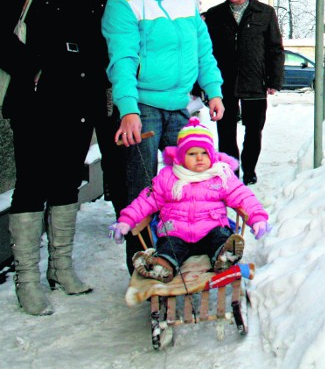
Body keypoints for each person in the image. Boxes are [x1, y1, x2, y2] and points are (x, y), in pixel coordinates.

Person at [0, 0, 109, 315]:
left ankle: (60, 267)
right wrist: (33, 68)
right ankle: (27, 279)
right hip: (37, 96)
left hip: (79, 96)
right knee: (32, 182)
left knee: (66, 181)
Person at [101, 0, 225, 271]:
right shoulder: (124, 2)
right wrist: (128, 110)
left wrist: (213, 90)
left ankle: (186, 254)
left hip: (180, 107)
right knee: (142, 192)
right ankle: (143, 265)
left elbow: (203, 50)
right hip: (142, 107)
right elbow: (122, 61)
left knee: (194, 180)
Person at [109, 117, 270, 282]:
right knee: (168, 247)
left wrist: (257, 218)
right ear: (180, 157)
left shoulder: (220, 176)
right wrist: (126, 221)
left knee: (221, 236)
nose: (199, 158)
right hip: (176, 232)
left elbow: (242, 196)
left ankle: (225, 256)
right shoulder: (168, 177)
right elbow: (145, 201)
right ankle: (162, 265)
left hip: (211, 229)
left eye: (204, 153)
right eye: (192, 153)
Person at [203, 0, 284, 186]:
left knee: (254, 130)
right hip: (224, 83)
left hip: (255, 82)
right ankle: (231, 173)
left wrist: (274, 79)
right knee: (226, 131)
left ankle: (249, 169)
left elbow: (275, 48)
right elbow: (204, 50)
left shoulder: (264, 13)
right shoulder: (215, 14)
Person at [96, 0, 128, 219]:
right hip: (100, 83)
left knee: (128, 150)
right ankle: (119, 201)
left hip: (129, 86)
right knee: (111, 148)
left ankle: (128, 207)